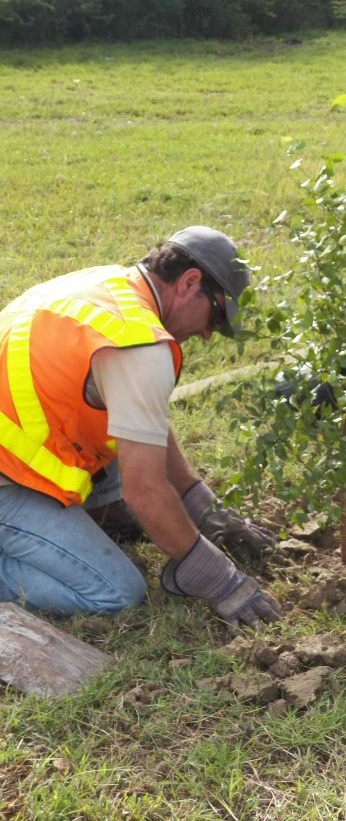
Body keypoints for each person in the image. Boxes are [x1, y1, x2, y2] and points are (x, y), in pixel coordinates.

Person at [0, 225, 281, 625]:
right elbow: (145, 492)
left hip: (18, 444)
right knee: (116, 592)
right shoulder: (140, 348)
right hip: (9, 475)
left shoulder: (108, 284)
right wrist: (217, 577)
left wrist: (197, 502)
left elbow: (139, 416)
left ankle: (96, 516)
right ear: (189, 282)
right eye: (215, 316)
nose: (206, 334)